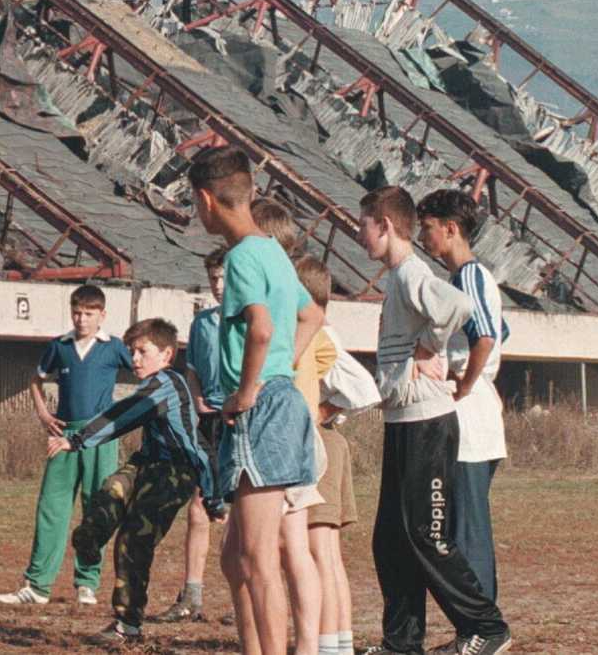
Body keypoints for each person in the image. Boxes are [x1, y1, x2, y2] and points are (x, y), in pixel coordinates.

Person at [357, 186, 511, 655]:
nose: (358, 234)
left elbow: (460, 310)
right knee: (391, 539)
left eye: (363, 224)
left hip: (428, 421)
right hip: (403, 419)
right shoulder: (399, 277)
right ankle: (402, 642)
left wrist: (429, 347)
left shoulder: (411, 273)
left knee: (429, 534)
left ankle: (485, 626)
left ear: (383, 225)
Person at [189, 146, 325, 655]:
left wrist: (250, 389)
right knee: (233, 559)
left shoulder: (243, 255)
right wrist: (281, 374)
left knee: (261, 557)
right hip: (278, 403)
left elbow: (262, 330)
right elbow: (311, 316)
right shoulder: (272, 250)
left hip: (257, 411)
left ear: (206, 200)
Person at [48, 318, 225, 645]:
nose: (135, 359)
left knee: (133, 539)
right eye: (131, 352)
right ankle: (90, 541)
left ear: (167, 354)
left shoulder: (167, 385)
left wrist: (78, 439)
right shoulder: (150, 385)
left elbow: (123, 415)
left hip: (175, 472)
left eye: (143, 351)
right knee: (111, 490)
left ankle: (128, 624)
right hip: (146, 463)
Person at [416, 189, 511, 654]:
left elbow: (487, 337)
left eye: (427, 226)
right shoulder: (464, 279)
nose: (422, 236)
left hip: (468, 419)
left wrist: (464, 385)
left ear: (450, 227)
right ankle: (476, 627)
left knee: (466, 530)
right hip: (471, 415)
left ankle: (482, 629)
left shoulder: (470, 274)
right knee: (460, 526)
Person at [0, 285, 131, 606]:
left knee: (96, 505)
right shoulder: (60, 346)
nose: (82, 319)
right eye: (77, 312)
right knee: (51, 507)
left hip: (101, 435)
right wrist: (44, 414)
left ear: (102, 315)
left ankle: (87, 582)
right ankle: (38, 585)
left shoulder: (113, 347)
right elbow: (35, 379)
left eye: (89, 313)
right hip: (63, 435)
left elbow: (144, 368)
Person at [152, 247, 229, 624]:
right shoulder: (203, 324)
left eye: (224, 277)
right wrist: (199, 403)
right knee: (200, 504)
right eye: (213, 278)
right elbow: (194, 369)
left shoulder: (253, 321)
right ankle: (191, 596)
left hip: (242, 419)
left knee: (243, 511)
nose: (218, 285)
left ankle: (244, 595)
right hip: (209, 420)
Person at [297, 255, 368, 655]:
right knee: (327, 554)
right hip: (323, 440)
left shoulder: (319, 334)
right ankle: (340, 642)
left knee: (318, 551)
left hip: (318, 442)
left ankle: (328, 646)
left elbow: (364, 388)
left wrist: (321, 412)